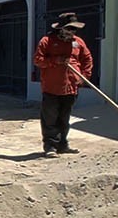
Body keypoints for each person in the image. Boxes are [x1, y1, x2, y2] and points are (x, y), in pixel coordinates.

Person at [33, 12, 93, 158]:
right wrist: (55, 61)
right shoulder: (47, 41)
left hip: (71, 88)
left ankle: (62, 145)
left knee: (64, 119)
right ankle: (50, 146)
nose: (72, 32)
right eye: (69, 29)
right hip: (51, 88)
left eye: (74, 29)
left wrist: (84, 76)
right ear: (60, 28)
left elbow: (87, 58)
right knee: (50, 119)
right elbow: (38, 60)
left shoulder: (78, 42)